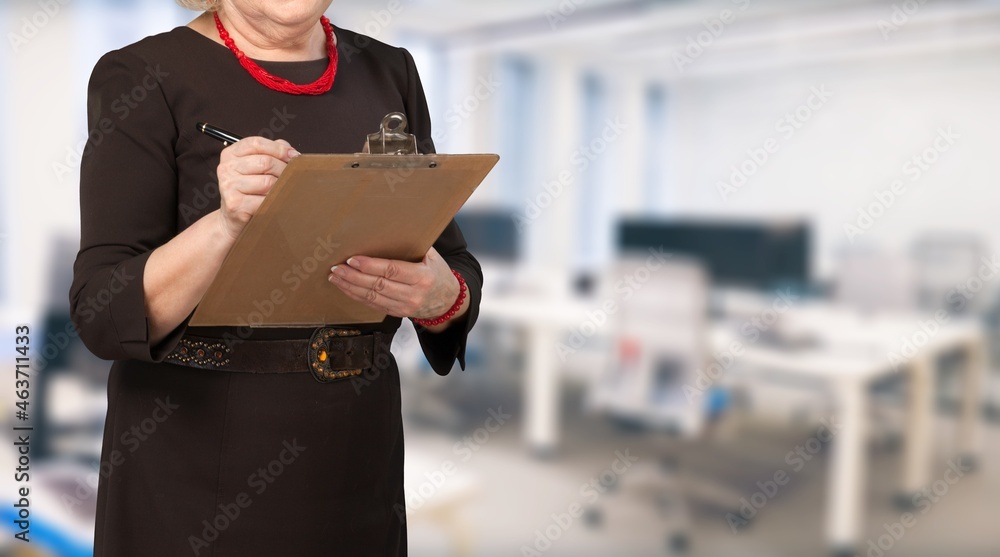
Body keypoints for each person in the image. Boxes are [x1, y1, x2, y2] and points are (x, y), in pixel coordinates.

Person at [69, 0, 482, 555]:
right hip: (194, 465)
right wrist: (224, 226)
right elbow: (101, 309)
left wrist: (442, 298)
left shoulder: (392, 70)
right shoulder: (141, 74)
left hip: (358, 454)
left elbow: (453, 263)